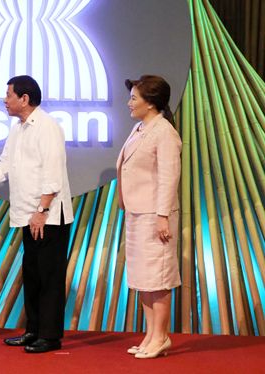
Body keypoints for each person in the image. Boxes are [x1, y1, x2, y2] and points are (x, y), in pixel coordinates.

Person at [0, 75, 74, 353]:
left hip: (48, 216)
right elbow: (5, 165)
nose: (4, 99)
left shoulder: (47, 126)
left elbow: (53, 173)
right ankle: (33, 330)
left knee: (49, 276)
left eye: (8, 94)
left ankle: (50, 336)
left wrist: (42, 210)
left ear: (24, 98)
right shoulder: (18, 128)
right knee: (32, 274)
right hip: (28, 214)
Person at [116, 75, 182, 359]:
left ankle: (162, 336)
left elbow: (169, 177)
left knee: (158, 277)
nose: (129, 103)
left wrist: (162, 216)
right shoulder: (139, 128)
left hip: (156, 215)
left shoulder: (164, 131)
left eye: (134, 98)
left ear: (151, 103)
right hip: (136, 213)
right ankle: (150, 334)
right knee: (143, 278)